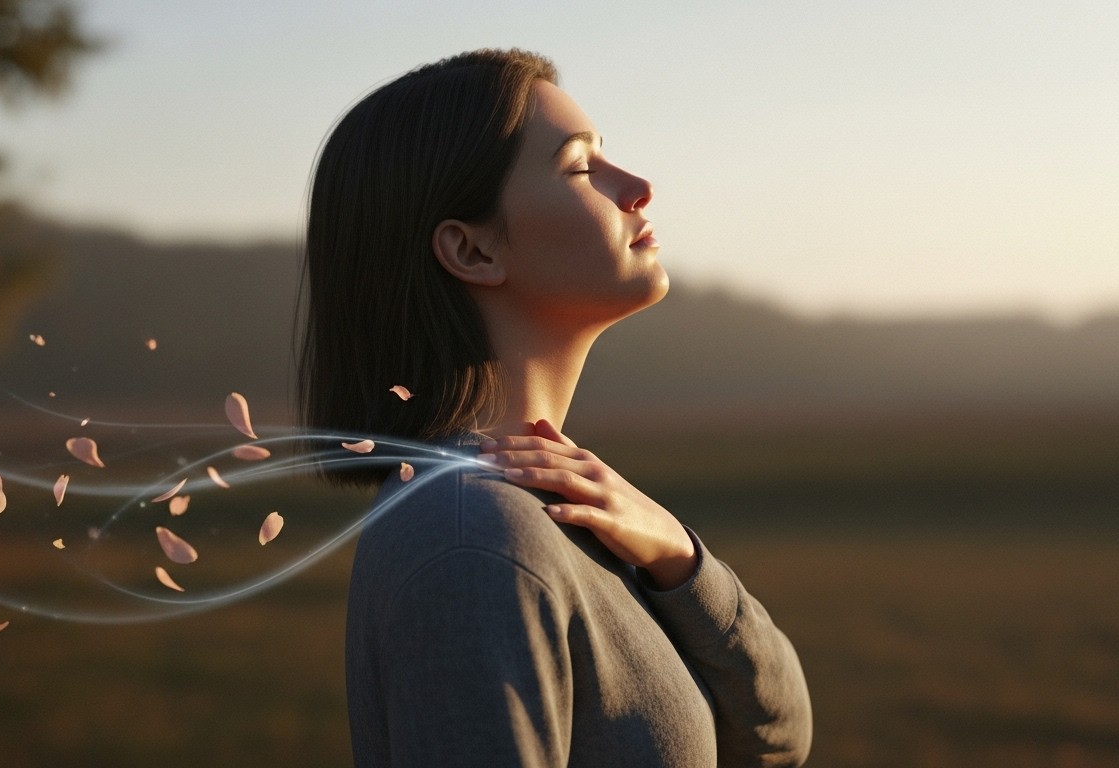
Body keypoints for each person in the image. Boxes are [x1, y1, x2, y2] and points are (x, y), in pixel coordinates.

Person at [299, 48, 811, 767]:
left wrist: (677, 555)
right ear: (473, 251)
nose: (637, 187)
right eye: (579, 167)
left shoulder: (559, 507)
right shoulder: (472, 539)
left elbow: (777, 737)